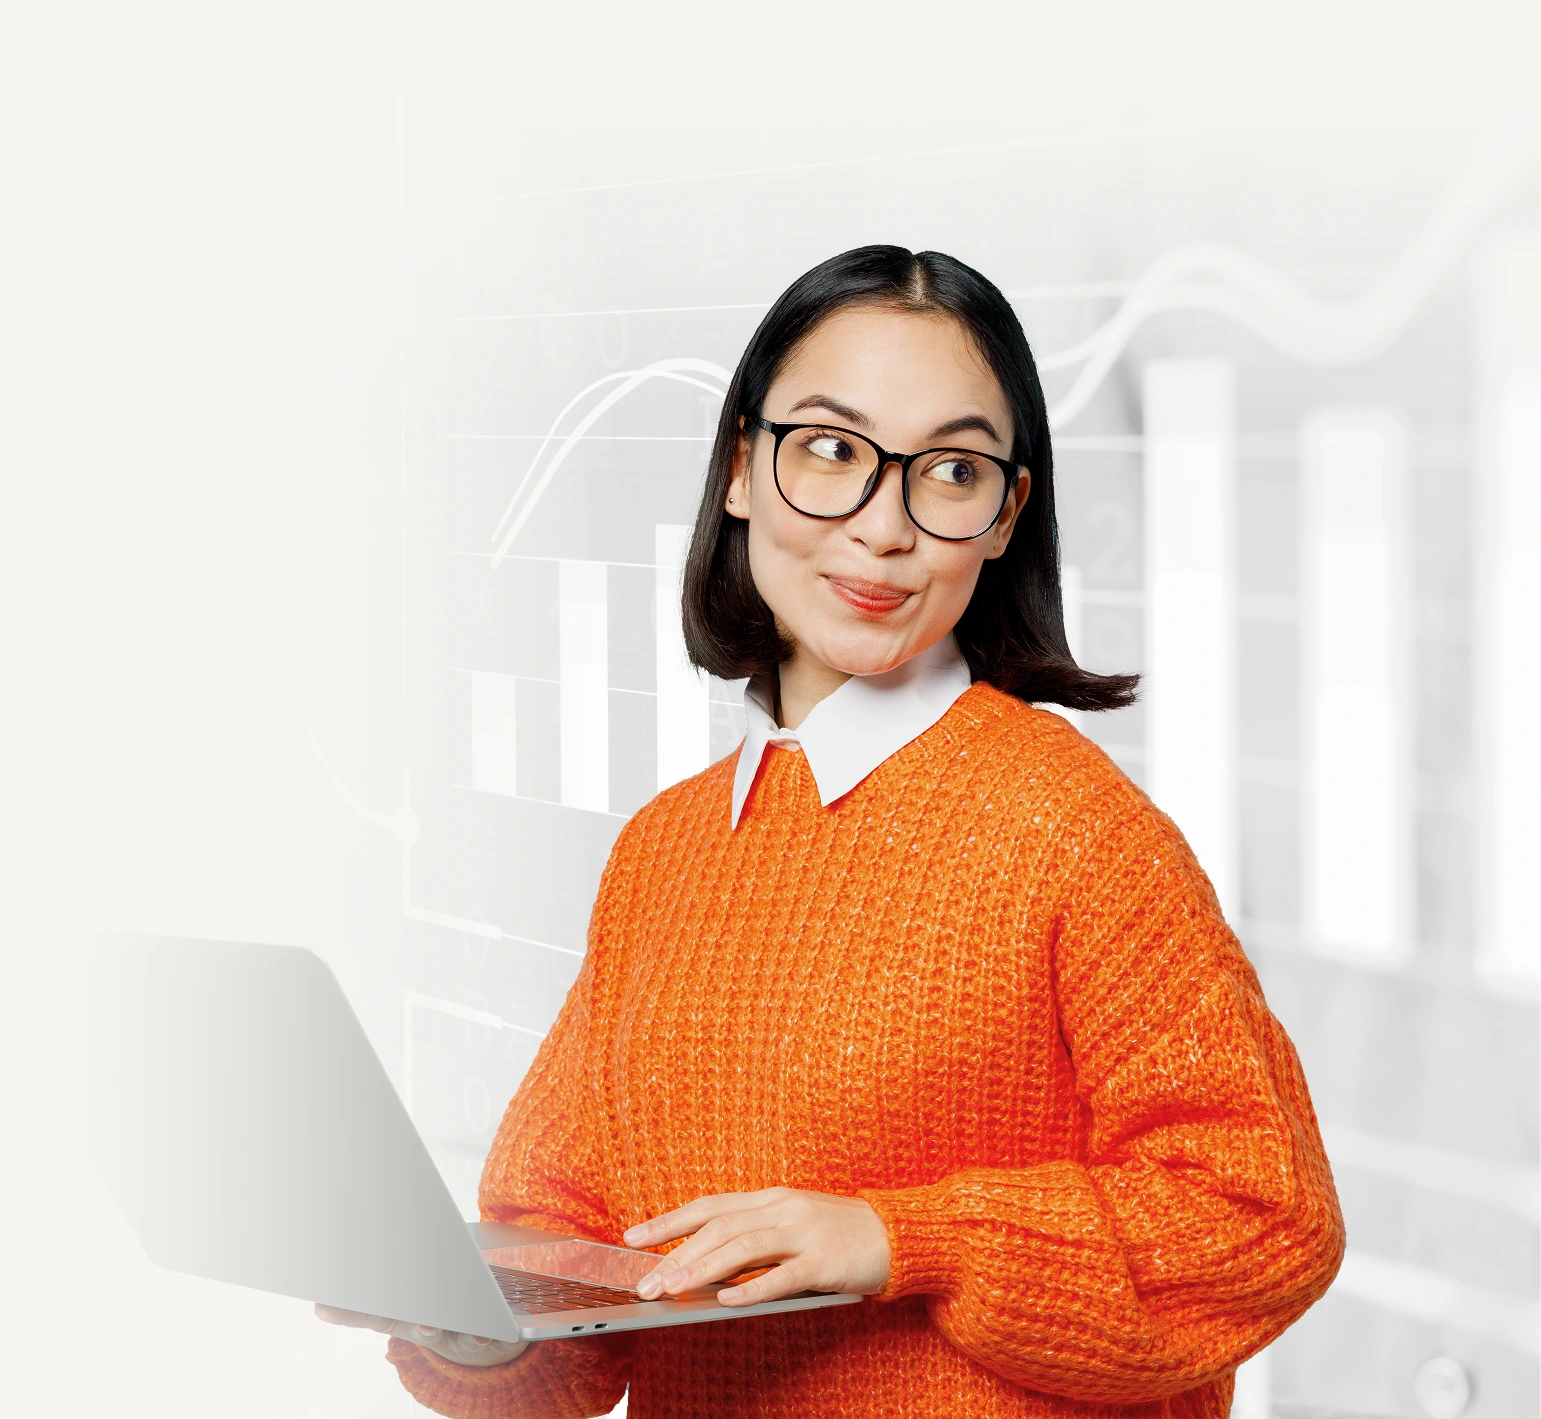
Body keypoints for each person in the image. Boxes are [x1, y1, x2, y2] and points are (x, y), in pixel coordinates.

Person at [319, 245, 1345, 1417]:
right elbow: (575, 1301)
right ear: (742, 469)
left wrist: (901, 1241)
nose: (879, 528)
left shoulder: (1073, 832)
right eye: (830, 451)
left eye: (948, 472)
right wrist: (463, 1321)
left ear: (1003, 515)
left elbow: (1260, 1219)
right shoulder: (664, 852)